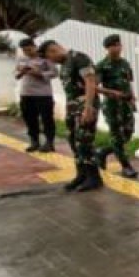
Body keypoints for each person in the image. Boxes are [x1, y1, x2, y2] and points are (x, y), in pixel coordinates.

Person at [38, 40, 103, 192]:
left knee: (84, 140)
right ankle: (82, 174)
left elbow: (90, 81)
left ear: (54, 50)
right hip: (73, 107)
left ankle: (94, 178)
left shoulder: (78, 58)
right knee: (74, 140)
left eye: (49, 57)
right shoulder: (65, 64)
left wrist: (88, 107)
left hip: (84, 106)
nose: (50, 61)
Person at [96, 35, 139, 178]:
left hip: (125, 104)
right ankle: (126, 167)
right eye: (114, 45)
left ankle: (102, 152)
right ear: (107, 48)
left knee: (128, 133)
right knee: (116, 136)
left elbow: (128, 83)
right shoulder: (102, 65)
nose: (118, 48)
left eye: (119, 45)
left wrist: (132, 99)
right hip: (112, 105)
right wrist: (111, 92)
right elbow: (94, 86)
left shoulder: (125, 63)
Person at [15, 38, 57, 153]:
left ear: (34, 46)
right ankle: (34, 141)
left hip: (43, 95)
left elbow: (54, 73)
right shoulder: (21, 59)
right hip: (26, 94)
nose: (27, 53)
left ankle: (49, 142)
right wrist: (21, 71)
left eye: (29, 50)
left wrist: (39, 73)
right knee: (29, 119)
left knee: (47, 119)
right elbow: (16, 75)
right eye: (24, 51)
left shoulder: (45, 58)